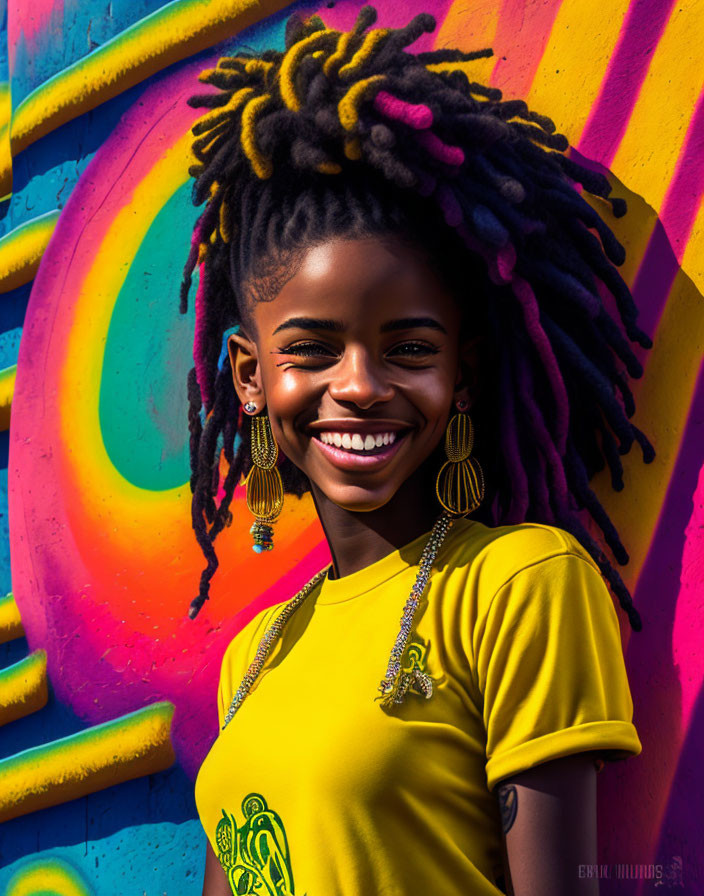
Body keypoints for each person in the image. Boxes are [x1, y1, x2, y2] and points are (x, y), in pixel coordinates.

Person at [180, 8, 651, 894]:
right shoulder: (254, 656)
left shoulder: (518, 585)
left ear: (462, 372)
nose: (359, 385)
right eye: (313, 349)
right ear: (250, 376)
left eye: (409, 348)